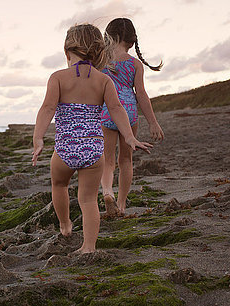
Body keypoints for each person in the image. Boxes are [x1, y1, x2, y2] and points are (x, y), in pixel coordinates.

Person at [32, 24, 152, 254]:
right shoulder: (103, 80)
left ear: (67, 52)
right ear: (99, 53)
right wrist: (129, 136)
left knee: (59, 185)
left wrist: (38, 139)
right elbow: (116, 109)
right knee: (88, 200)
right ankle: (89, 246)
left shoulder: (57, 78)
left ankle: (65, 225)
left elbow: (47, 108)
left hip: (65, 149)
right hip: (92, 151)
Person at [100, 18, 165, 217]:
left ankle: (108, 192)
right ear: (131, 41)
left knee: (107, 160)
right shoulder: (135, 64)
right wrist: (153, 122)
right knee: (126, 160)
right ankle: (121, 205)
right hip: (128, 112)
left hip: (106, 110)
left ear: (109, 37)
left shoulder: (101, 60)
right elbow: (142, 95)